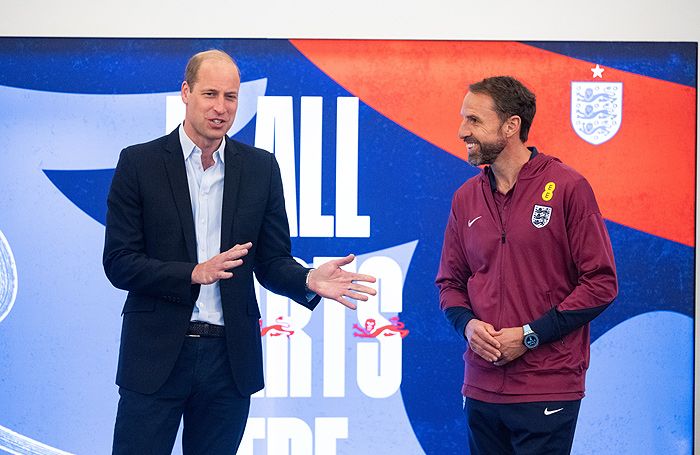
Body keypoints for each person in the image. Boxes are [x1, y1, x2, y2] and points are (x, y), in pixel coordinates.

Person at [103, 49, 376, 455]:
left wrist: (307, 278)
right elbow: (119, 262)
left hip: (228, 361)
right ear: (185, 92)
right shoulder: (139, 163)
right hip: (155, 357)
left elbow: (270, 261)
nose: (220, 108)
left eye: (230, 97)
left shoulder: (260, 168)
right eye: (210, 94)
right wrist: (194, 273)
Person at [435, 76, 618, 454]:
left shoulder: (568, 187)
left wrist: (530, 335)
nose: (461, 132)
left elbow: (601, 283)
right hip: (482, 386)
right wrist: (468, 326)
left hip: (547, 385)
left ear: (511, 125)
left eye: (473, 121)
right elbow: (450, 282)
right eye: (463, 119)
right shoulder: (465, 197)